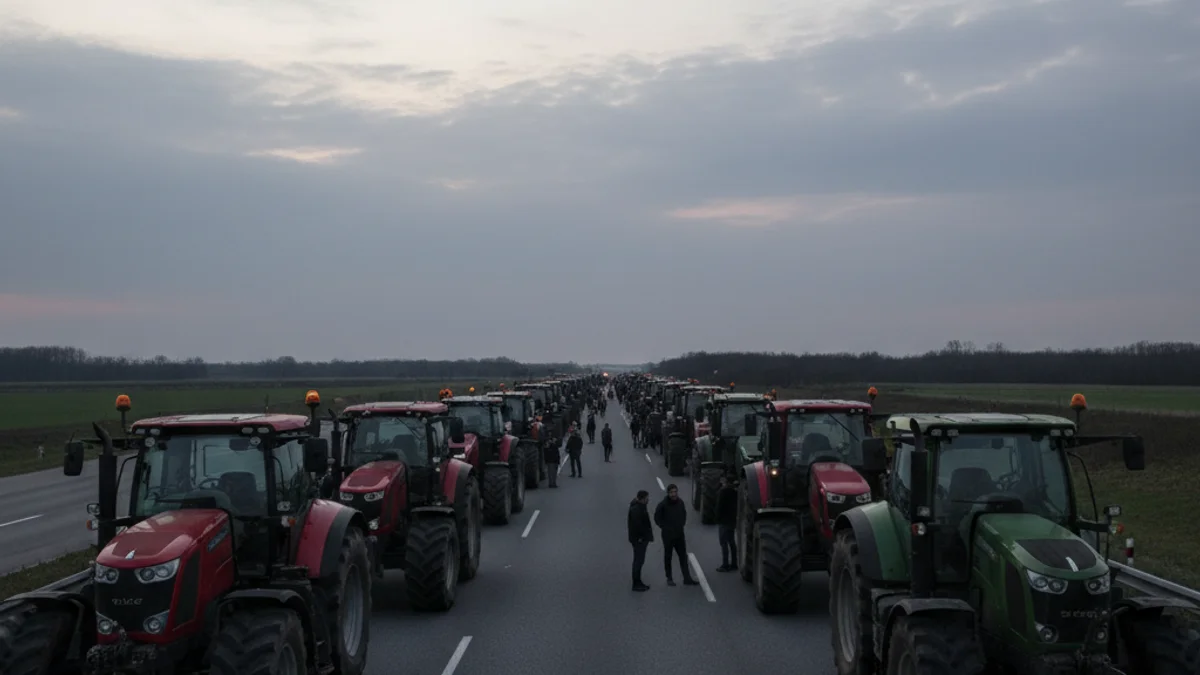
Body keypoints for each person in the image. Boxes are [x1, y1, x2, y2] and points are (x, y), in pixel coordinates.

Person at [654, 484, 699, 586]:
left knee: (683, 556)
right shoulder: (662, 505)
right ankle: (669, 578)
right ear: (668, 493)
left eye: (675, 492)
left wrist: (681, 524)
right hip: (668, 536)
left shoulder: (680, 502)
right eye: (672, 492)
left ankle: (687, 578)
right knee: (668, 556)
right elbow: (657, 518)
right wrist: (664, 527)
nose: (674, 494)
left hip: (679, 534)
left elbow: (684, 514)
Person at [627, 490, 653, 592]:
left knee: (639, 560)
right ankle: (636, 583)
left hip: (639, 539)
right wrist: (641, 537)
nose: (648, 500)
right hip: (639, 540)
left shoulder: (638, 507)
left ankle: (638, 582)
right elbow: (637, 526)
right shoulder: (636, 510)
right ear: (642, 499)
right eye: (647, 498)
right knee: (638, 561)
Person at [715, 474, 739, 572]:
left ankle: (725, 564)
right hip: (732, 520)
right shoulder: (735, 492)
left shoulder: (723, 492)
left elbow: (719, 506)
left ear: (726, 482)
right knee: (732, 542)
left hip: (724, 521)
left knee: (723, 543)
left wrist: (717, 518)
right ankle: (734, 563)